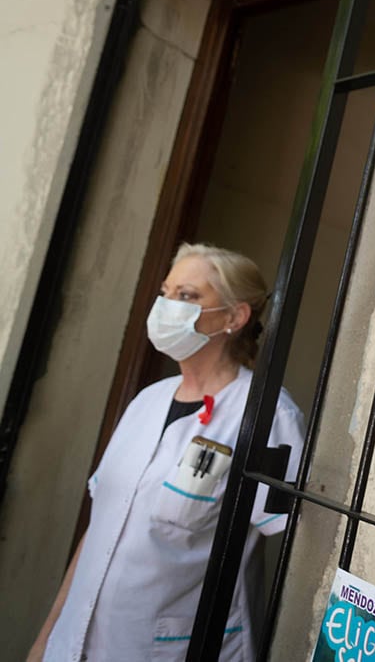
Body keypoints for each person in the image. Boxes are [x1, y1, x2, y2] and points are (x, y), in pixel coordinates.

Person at [29, 243, 305, 662]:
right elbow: (100, 530)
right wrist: (49, 635)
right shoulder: (146, 402)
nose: (166, 306)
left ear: (234, 316)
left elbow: (299, 548)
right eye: (166, 292)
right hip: (76, 646)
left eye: (187, 296)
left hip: (173, 650)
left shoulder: (267, 414)